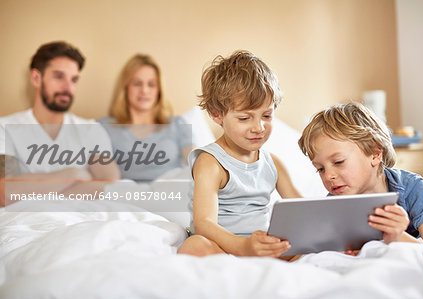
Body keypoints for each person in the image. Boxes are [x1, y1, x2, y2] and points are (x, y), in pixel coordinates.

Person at [177, 50, 303, 258]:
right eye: (245, 118)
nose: (259, 127)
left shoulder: (274, 164)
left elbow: (303, 209)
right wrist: (244, 247)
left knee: (309, 250)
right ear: (217, 114)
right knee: (195, 246)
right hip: (224, 247)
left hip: (259, 248)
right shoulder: (210, 162)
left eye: (267, 115)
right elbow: (204, 224)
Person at [298, 102, 423, 244]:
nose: (328, 176)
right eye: (320, 169)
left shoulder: (412, 186)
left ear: (375, 155)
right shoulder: (335, 201)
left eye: (338, 162)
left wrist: (398, 236)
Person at [0, 41, 120, 207]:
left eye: (74, 80)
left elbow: (111, 188)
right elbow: (6, 192)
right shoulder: (5, 128)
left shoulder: (91, 129)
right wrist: (75, 174)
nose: (68, 87)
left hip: (84, 222)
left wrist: (32, 192)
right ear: (36, 78)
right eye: (59, 76)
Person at [99, 54, 192, 182]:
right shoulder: (104, 127)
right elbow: (104, 177)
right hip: (126, 196)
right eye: (137, 83)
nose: (144, 90)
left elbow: (197, 167)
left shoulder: (177, 124)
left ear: (159, 90)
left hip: (171, 194)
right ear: (125, 88)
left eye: (151, 84)